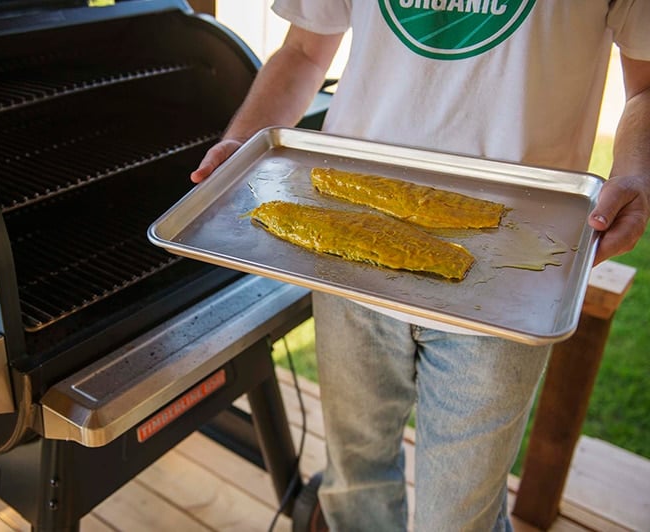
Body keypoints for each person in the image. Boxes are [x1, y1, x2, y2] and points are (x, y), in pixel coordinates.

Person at [191, 2, 650, 530]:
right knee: (355, 479)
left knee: (459, 515)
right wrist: (245, 141)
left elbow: (643, 84)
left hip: (506, 281)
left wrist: (636, 172)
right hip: (345, 245)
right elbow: (302, 49)